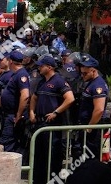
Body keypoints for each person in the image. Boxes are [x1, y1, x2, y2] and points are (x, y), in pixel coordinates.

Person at [29, 55, 75, 184]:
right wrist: (32, 112)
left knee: (52, 156)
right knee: (40, 155)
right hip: (39, 124)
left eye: (41, 66)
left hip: (52, 125)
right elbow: (34, 97)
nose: (39, 68)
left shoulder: (59, 81)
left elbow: (70, 98)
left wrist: (56, 112)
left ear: (49, 67)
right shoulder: (41, 81)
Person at [0, 50, 30, 154]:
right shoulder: (14, 75)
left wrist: (18, 115)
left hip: (13, 116)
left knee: (6, 145)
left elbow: (25, 96)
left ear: (10, 61)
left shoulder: (21, 75)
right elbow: (5, 96)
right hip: (8, 115)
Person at [74, 54, 108, 157]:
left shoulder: (98, 85)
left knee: (90, 158)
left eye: (85, 73)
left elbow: (99, 109)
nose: (82, 76)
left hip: (92, 129)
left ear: (93, 71)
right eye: (81, 73)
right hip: (86, 126)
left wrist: (90, 127)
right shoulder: (90, 83)